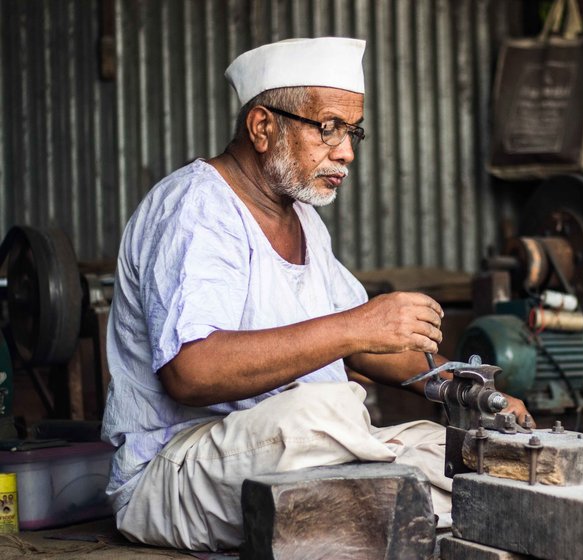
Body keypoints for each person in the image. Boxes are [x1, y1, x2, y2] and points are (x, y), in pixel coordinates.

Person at [101, 37, 528, 551]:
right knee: (327, 414)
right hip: (175, 472)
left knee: (483, 461)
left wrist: (463, 388)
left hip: (290, 449)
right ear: (263, 127)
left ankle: (410, 491)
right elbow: (190, 372)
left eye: (353, 132)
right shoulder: (197, 209)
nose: (346, 152)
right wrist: (357, 325)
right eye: (328, 128)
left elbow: (365, 348)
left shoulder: (303, 219)